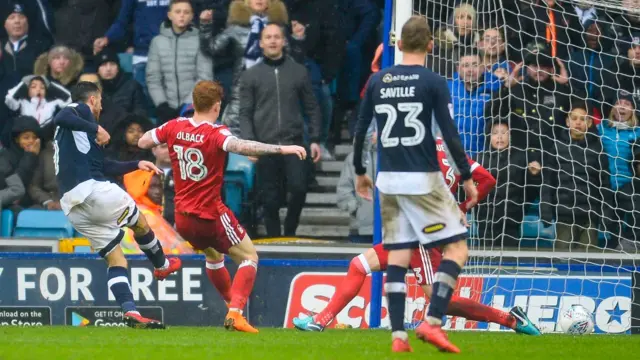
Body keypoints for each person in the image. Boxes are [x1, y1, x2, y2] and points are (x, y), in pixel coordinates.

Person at [294, 135, 541, 336]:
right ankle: (321, 320)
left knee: (442, 301)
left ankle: (510, 319)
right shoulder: (454, 156)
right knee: (358, 265)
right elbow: (487, 180)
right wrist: (461, 207)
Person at [138, 80, 307, 333]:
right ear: (217, 106)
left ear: (194, 103)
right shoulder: (216, 133)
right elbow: (241, 146)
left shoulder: (173, 126)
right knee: (249, 257)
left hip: (182, 217)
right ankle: (236, 313)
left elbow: (143, 142)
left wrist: (170, 139)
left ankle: (231, 305)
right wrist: (283, 149)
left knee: (213, 256)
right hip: (209, 213)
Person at [352, 16, 478, 353]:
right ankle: (432, 321)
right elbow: (448, 134)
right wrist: (465, 176)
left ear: (400, 44)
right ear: (431, 46)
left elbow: (362, 126)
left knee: (397, 256)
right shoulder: (433, 81)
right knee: (457, 248)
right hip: (422, 177)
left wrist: (358, 170)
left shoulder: (379, 80)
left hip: (388, 180)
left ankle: (398, 336)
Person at [53, 82, 182, 329]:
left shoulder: (75, 136)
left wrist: (136, 164)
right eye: (100, 102)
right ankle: (162, 265)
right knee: (140, 222)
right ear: (92, 99)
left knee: (117, 260)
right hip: (92, 190)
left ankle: (130, 312)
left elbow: (104, 167)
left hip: (73, 206)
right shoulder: (78, 110)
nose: (100, 107)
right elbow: (61, 114)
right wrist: (96, 127)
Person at [237, 23, 321, 237]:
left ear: (284, 41)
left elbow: (312, 107)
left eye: (277, 36)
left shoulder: (299, 72)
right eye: (268, 37)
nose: (273, 40)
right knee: (269, 199)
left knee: (299, 188)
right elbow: (245, 112)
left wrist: (314, 138)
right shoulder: (250, 75)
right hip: (265, 146)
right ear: (261, 42)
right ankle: (275, 238)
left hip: (294, 144)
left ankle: (290, 232)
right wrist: (249, 144)